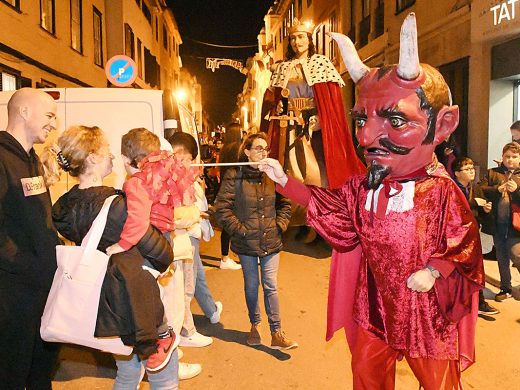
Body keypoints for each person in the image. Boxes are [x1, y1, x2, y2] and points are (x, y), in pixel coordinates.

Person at [260, 14, 483, 388]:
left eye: (395, 121)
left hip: (422, 310)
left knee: (439, 382)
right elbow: (333, 209)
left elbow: (465, 242)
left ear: (442, 125)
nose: (366, 137)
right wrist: (285, 181)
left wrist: (433, 271)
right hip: (373, 305)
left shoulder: (441, 189)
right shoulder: (364, 186)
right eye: (361, 120)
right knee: (365, 376)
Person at [44, 125, 179, 388]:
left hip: (105, 307)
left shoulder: (63, 206)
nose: (113, 158)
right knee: (163, 375)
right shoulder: (118, 206)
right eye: (107, 152)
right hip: (136, 299)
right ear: (93, 158)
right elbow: (162, 254)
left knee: (127, 374)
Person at [0, 88, 61, 389]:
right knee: (12, 372)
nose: (54, 123)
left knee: (41, 371)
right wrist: (27, 265)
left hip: (41, 290)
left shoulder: (32, 159)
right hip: (13, 297)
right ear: (24, 112)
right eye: (49, 115)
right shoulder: (1, 158)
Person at [215, 133, 297, 350]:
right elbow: (222, 209)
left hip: (271, 238)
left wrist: (279, 226)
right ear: (247, 151)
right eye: (258, 148)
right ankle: (255, 325)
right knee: (252, 285)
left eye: (266, 149)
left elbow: (286, 203)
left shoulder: (272, 174)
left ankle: (276, 332)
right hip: (246, 242)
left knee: (271, 285)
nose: (263, 152)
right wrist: (240, 230)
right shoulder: (235, 174)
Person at [452, 157, 499, 314]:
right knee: (457, 270)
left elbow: (480, 212)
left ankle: (479, 302)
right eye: (467, 168)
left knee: (477, 268)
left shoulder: (476, 188)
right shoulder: (451, 188)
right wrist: (474, 203)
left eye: (472, 167)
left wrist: (486, 209)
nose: (471, 170)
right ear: (457, 173)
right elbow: (454, 209)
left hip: (473, 233)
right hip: (456, 236)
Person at [480, 142, 520, 301]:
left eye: (514, 157)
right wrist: (497, 189)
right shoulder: (493, 173)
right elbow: (480, 189)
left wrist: (516, 190)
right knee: (502, 257)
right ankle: (506, 288)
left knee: (516, 254)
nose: (510, 160)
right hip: (497, 224)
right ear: (502, 157)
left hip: (515, 225)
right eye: (507, 156)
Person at [217, 123, 242, 270]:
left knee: (228, 223)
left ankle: (226, 256)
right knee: (236, 222)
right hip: (236, 188)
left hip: (226, 188)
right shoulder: (237, 148)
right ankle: (226, 258)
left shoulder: (225, 149)